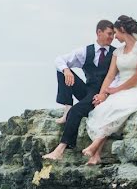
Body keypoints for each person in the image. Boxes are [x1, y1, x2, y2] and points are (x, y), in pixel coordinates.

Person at [80, 15, 137, 165]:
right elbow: (110, 76)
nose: (115, 37)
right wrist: (102, 94)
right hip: (119, 90)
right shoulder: (117, 52)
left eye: (116, 32)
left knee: (117, 107)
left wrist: (117, 90)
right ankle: (95, 154)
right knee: (103, 108)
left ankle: (95, 147)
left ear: (122, 30)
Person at [42, 20, 118, 161]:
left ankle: (60, 149)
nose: (111, 37)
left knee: (76, 111)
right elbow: (59, 59)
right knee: (62, 70)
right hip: (87, 90)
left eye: (113, 34)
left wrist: (105, 95)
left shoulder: (115, 54)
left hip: (101, 94)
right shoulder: (85, 51)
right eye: (109, 33)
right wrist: (66, 70)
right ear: (99, 32)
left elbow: (117, 78)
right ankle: (66, 109)